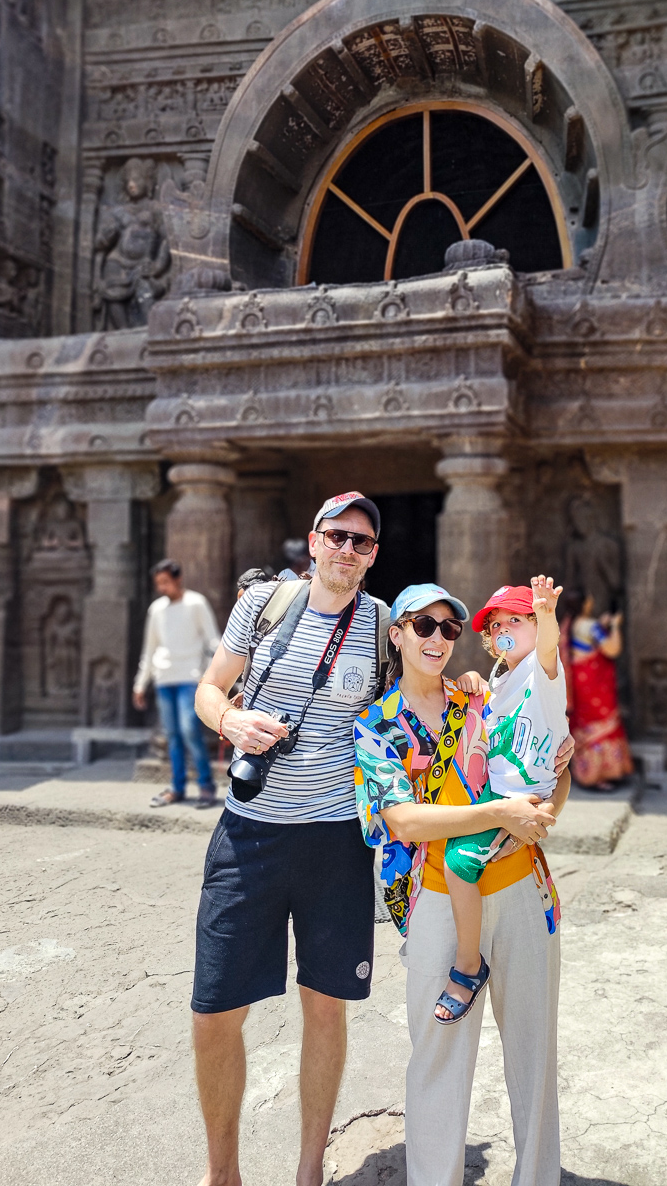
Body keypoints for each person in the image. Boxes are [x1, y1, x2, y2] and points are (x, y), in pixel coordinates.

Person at [190, 492, 391, 1186]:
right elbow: (210, 688)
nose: (347, 550)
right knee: (215, 1010)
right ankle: (223, 1173)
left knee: (325, 1006)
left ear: (373, 556)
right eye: (337, 536)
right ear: (313, 542)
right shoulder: (265, 604)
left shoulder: (381, 625)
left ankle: (309, 1171)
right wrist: (230, 722)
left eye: (361, 542)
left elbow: (422, 690)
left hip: (337, 840)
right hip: (250, 835)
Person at [355, 584, 573, 1186]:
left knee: (534, 1051)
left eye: (449, 628)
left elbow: (545, 772)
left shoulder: (482, 697)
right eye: (422, 626)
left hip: (523, 886)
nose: (437, 638)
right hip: (437, 899)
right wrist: (499, 814)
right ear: (396, 634)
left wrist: (555, 786)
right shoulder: (375, 724)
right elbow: (401, 820)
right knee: (438, 1058)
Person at [437, 576, 569, 1024]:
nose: (504, 629)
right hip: (501, 791)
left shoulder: (541, 671)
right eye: (496, 625)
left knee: (458, 865)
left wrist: (547, 615)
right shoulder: (502, 678)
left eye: (516, 620)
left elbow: (548, 648)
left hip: (521, 796)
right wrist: (474, 678)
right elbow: (487, 706)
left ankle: (468, 964)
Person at [132, 558, 221, 809]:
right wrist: (140, 684)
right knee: (172, 735)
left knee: (189, 730)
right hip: (164, 679)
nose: (162, 587)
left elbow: (213, 641)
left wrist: (219, 677)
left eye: (165, 582)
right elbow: (150, 649)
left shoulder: (196, 603)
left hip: (190, 677)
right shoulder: (156, 609)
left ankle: (206, 785)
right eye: (158, 583)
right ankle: (177, 787)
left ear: (177, 579)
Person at [564, 592, 631, 789]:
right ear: (585, 604)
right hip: (594, 684)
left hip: (578, 681)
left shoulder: (568, 625)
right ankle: (601, 775)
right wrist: (615, 626)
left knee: (583, 725)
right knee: (602, 725)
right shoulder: (590, 626)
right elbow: (612, 649)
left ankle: (586, 773)